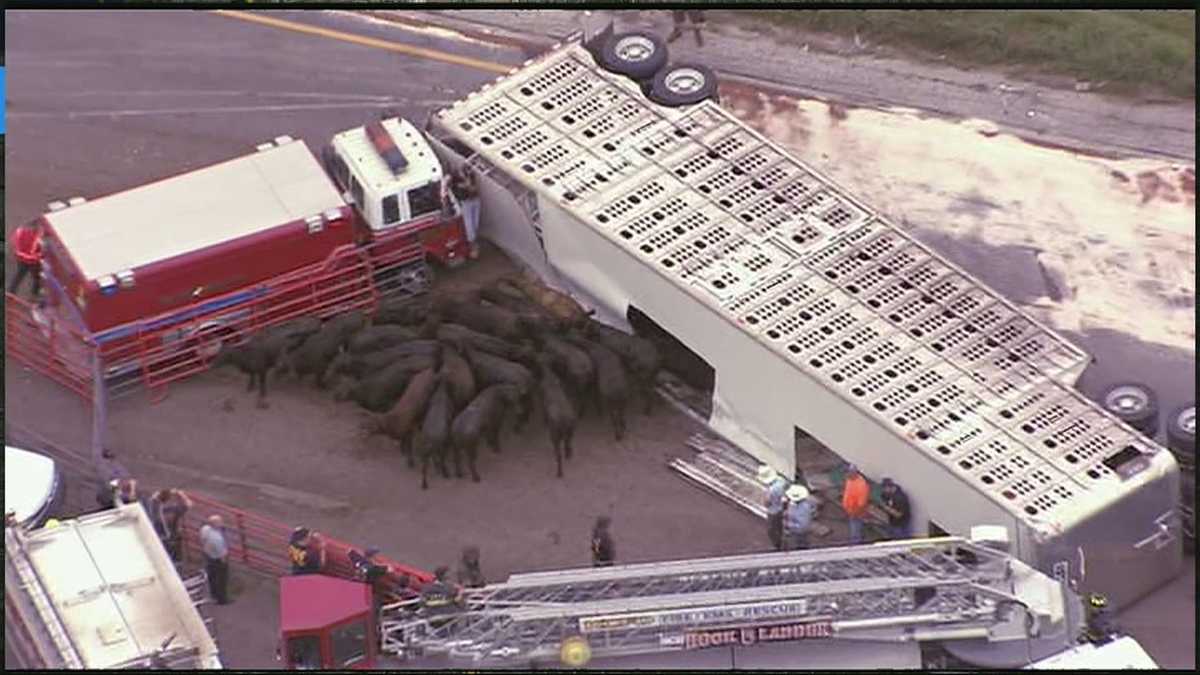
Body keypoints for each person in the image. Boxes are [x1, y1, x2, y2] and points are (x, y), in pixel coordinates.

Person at [448, 165, 481, 260]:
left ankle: (473, 245)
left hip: (473, 200)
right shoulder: (455, 178)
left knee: (474, 224)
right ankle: (473, 246)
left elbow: (473, 189)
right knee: (470, 226)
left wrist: (467, 184)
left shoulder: (470, 175)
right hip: (466, 202)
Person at [152, 489, 193, 563]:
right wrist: (181, 495)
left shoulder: (155, 509)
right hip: (173, 537)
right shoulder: (173, 510)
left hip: (161, 537)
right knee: (176, 558)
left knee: (164, 557)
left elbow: (154, 498)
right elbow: (189, 504)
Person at [8, 219, 44, 299]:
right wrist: (38, 256)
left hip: (23, 258)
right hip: (30, 260)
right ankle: (35, 293)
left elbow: (15, 242)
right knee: (36, 277)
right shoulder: (34, 236)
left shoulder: (21, 231)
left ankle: (11, 292)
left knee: (20, 275)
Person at [199, 515, 230, 605]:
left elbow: (202, 540)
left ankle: (214, 595)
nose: (222, 523)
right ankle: (222, 599)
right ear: (216, 524)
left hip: (208, 555)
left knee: (212, 577)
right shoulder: (217, 539)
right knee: (221, 579)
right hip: (218, 559)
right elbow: (222, 554)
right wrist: (224, 562)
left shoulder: (205, 529)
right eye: (220, 522)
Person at [757, 466, 789, 551]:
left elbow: (767, 503)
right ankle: (783, 540)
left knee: (772, 530)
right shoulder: (781, 481)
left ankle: (778, 546)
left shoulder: (771, 490)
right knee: (780, 526)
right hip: (781, 508)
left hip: (773, 511)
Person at [841, 464, 870, 545]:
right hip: (850, 511)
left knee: (855, 531)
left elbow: (861, 504)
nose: (845, 475)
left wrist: (854, 513)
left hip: (856, 513)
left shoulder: (861, 485)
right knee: (855, 528)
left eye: (847, 473)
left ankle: (856, 546)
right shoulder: (850, 480)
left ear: (853, 473)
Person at [781, 484, 815, 551]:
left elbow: (802, 526)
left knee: (800, 543)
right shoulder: (796, 504)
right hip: (795, 529)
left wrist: (787, 524)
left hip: (798, 532)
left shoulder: (803, 509)